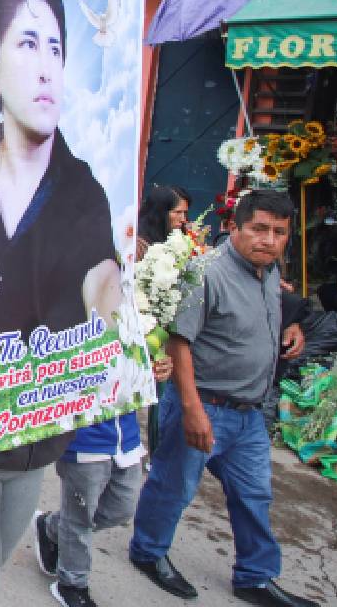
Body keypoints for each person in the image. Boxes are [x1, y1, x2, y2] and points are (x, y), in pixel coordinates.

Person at [0, 0, 117, 607]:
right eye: (26, 43)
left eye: (56, 47)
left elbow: (106, 290)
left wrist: (129, 327)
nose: (46, 66)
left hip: (41, 435)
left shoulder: (86, 193)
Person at [130, 190, 315, 607]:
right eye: (259, 229)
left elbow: (270, 313)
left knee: (254, 495)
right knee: (173, 486)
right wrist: (193, 410)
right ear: (234, 228)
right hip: (205, 403)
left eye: (279, 232)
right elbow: (178, 344)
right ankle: (149, 552)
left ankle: (255, 575)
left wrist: (293, 328)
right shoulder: (205, 273)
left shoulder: (268, 272)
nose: (269, 239)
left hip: (249, 413)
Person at [33, 357, 174, 607]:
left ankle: (51, 527)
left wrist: (154, 367)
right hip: (83, 435)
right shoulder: (65, 318)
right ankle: (72, 584)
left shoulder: (131, 321)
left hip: (126, 434)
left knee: (122, 508)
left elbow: (139, 363)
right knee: (80, 516)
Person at [136, 185, 191, 455]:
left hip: (162, 327)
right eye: (177, 213)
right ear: (161, 213)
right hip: (144, 330)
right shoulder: (138, 246)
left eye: (185, 213)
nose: (183, 219)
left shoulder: (173, 243)